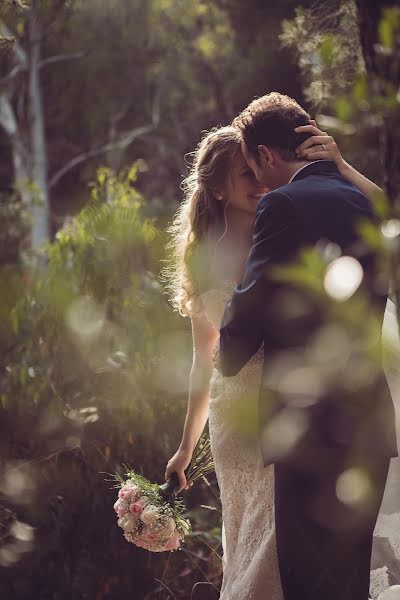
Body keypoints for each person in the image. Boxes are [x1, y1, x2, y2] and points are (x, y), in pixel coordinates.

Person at [164, 104, 396, 599]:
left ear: (267, 156)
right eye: (244, 174)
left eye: (256, 169)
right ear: (218, 187)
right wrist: (186, 444)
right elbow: (204, 360)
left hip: (296, 416)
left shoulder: (290, 208)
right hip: (256, 415)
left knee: (303, 571)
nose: (257, 182)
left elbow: (386, 216)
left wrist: (338, 162)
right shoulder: (223, 246)